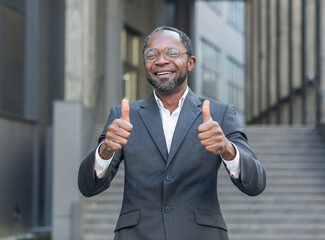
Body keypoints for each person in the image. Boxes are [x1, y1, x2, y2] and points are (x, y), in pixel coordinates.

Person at [78, 26, 266, 240]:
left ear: (191, 62)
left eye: (172, 53)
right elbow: (87, 186)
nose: (160, 61)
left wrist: (228, 149)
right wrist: (104, 150)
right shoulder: (123, 116)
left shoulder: (219, 114)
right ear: (145, 65)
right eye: (152, 55)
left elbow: (256, 184)